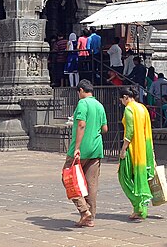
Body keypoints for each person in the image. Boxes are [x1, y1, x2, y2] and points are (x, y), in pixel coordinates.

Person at [64, 80, 106, 228]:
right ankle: (90, 218)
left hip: (82, 148)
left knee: (68, 177)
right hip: (96, 148)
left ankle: (84, 210)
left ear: (81, 90)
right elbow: (105, 128)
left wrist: (77, 147)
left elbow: (81, 124)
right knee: (91, 183)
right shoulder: (99, 105)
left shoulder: (83, 103)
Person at [117, 86, 157, 220]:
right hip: (144, 148)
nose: (122, 102)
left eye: (121, 100)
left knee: (123, 177)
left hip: (133, 149)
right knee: (140, 178)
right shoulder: (142, 108)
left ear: (125, 97)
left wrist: (123, 149)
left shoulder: (129, 109)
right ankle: (142, 209)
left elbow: (129, 132)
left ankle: (137, 203)